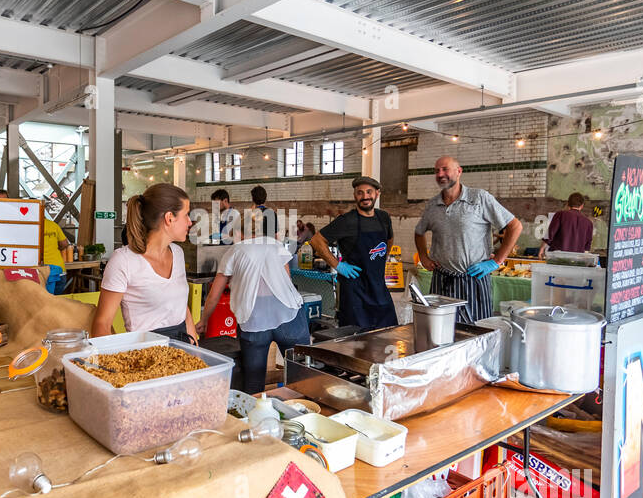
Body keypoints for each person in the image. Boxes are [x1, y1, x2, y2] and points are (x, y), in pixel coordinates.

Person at [197, 227, 309, 393]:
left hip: (254, 320)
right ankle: (306, 412)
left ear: (242, 234)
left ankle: (254, 415)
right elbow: (287, 280)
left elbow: (214, 295)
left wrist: (204, 320)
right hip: (288, 316)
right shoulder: (275, 245)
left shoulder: (234, 250)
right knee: (303, 375)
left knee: (253, 382)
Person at [415, 156, 523, 323]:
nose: (440, 174)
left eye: (445, 169)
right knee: (441, 331)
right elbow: (419, 232)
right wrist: (423, 256)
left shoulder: (479, 198)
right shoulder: (433, 205)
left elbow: (515, 226)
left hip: (474, 279)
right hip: (442, 280)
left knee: (477, 331)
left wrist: (497, 261)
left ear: (459, 172)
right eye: (437, 171)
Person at [91, 183, 197, 343]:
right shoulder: (124, 261)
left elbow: (182, 309)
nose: (190, 222)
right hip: (144, 354)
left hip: (182, 350)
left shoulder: (177, 253)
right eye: (186, 215)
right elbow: (101, 324)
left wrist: (195, 349)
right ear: (169, 218)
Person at [310, 177, 398, 329]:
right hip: (355, 293)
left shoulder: (383, 218)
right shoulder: (347, 221)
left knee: (387, 335)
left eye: (369, 192)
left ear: (377, 193)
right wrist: (338, 265)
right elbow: (317, 240)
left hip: (379, 289)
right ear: (354, 196)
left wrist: (383, 258)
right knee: (356, 343)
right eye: (360, 193)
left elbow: (389, 239)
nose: (365, 197)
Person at [539, 193, 594, 257]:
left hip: (558, 257)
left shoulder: (560, 215)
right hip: (576, 259)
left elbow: (550, 234)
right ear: (582, 206)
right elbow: (587, 246)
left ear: (568, 203)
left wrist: (542, 249)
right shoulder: (588, 223)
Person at [41, 214, 72, 294]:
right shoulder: (53, 225)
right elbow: (65, 244)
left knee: (44, 302)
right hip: (59, 270)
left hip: (41, 272)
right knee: (57, 300)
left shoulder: (30, 226)